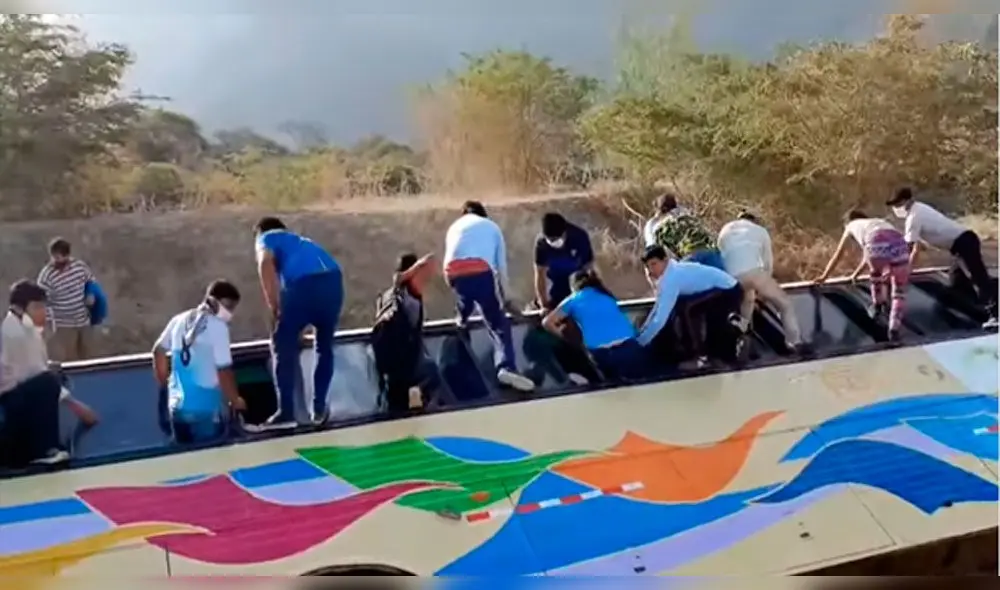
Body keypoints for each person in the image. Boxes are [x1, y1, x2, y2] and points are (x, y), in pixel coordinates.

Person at [254, 217, 345, 429]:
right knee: (324, 345)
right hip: (334, 281)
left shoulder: (267, 237)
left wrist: (274, 305)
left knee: (281, 342)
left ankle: (286, 412)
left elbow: (265, 262)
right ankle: (319, 409)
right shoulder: (300, 241)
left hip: (304, 285)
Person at [0, 281, 98, 467]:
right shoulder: (15, 334)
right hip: (11, 405)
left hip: (17, 397)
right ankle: (43, 449)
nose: (43, 313)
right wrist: (77, 406)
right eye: (38, 307)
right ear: (21, 309)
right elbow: (36, 375)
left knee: (51, 378)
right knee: (47, 382)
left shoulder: (25, 330)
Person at [443, 201, 535, 392]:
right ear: (483, 214)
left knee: (464, 306)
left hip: (452, 272)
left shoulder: (454, 227)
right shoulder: (491, 227)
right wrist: (506, 299)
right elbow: (500, 267)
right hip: (479, 271)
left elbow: (450, 260)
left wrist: (455, 286)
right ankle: (505, 367)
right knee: (498, 324)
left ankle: (460, 323)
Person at [887, 187, 998, 328]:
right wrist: (908, 269)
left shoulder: (914, 217)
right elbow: (916, 249)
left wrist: (899, 269)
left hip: (963, 242)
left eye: (897, 205)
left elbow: (908, 248)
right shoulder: (920, 208)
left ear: (906, 201)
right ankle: (979, 312)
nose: (896, 209)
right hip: (960, 245)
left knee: (978, 278)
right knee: (957, 280)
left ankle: (995, 313)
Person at [152, 280, 245, 444]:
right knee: (210, 462)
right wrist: (235, 400)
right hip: (205, 410)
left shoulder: (178, 320)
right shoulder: (218, 327)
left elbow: (158, 351)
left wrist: (165, 384)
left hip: (177, 409)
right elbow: (223, 371)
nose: (231, 313)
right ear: (215, 301)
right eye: (229, 306)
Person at [638, 246, 749, 367]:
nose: (650, 270)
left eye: (654, 264)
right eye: (648, 266)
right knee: (685, 307)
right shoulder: (671, 271)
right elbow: (658, 306)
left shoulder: (672, 279)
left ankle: (702, 357)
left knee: (691, 311)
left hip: (729, 291)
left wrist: (640, 343)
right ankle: (697, 349)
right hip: (723, 288)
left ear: (665, 260)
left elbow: (660, 319)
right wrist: (642, 330)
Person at [718, 212, 808, 354]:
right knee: (784, 304)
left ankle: (742, 336)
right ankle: (795, 342)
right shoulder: (760, 231)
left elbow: (722, 255)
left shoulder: (725, 230)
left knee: (748, 301)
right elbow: (768, 264)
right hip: (753, 272)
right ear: (754, 221)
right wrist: (764, 292)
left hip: (731, 276)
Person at [816, 209, 911, 341]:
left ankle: (878, 305)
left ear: (847, 222)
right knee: (899, 291)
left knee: (876, 274)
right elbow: (868, 257)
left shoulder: (851, 226)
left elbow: (840, 254)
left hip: (875, 239)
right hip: (899, 241)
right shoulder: (878, 221)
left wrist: (824, 276)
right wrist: (856, 274)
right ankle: (894, 329)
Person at [541, 269, 647, 383]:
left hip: (602, 352)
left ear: (573, 287)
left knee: (612, 388)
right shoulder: (606, 294)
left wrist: (565, 337)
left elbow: (547, 322)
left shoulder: (574, 299)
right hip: (629, 346)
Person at [372, 252, 440, 414]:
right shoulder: (411, 294)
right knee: (433, 372)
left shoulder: (386, 296)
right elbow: (430, 259)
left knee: (395, 408)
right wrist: (407, 275)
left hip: (387, 364)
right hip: (407, 362)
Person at [37, 238, 97, 362]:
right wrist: (48, 322)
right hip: (64, 325)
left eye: (61, 258)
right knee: (71, 359)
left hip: (83, 320)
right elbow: (42, 301)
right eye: (55, 258)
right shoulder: (47, 276)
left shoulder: (79, 267)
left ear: (68, 255)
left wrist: (91, 294)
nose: (57, 261)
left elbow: (90, 280)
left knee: (90, 356)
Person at [646, 194, 726, 271]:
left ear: (659, 211)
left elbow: (657, 252)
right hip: (712, 252)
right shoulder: (690, 217)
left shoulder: (660, 226)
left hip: (691, 256)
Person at [533, 213, 595, 310]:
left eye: (557, 239)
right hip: (554, 285)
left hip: (576, 282)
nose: (554, 242)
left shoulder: (579, 237)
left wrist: (588, 295)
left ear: (564, 233)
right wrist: (543, 304)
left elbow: (589, 267)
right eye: (551, 240)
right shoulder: (541, 244)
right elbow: (540, 274)